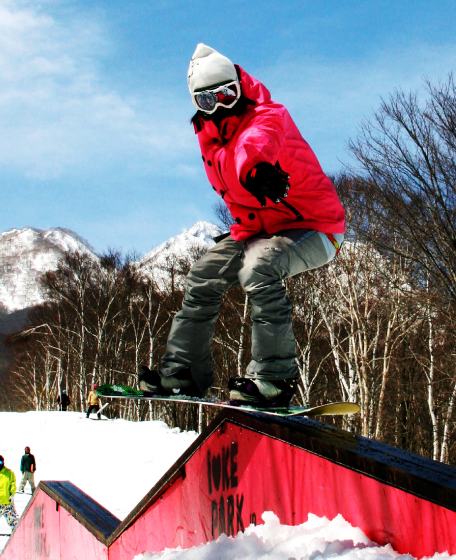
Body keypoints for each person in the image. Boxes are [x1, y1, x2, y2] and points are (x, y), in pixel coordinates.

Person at [136, 44, 345, 407]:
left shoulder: (268, 114)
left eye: (226, 95)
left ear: (239, 87)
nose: (220, 107)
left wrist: (256, 170)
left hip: (316, 226)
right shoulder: (209, 138)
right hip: (259, 229)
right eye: (207, 102)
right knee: (203, 276)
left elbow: (256, 142)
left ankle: (273, 377)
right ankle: (184, 372)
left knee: (258, 270)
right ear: (196, 105)